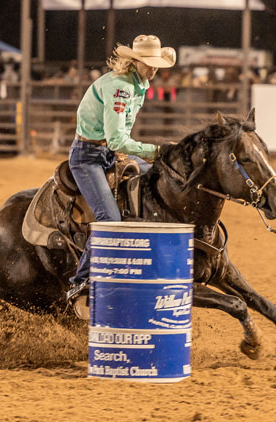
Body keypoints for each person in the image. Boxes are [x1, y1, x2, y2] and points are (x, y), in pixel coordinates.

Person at [66, 34, 176, 304]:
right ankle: (80, 284)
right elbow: (116, 138)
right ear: (135, 61)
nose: (153, 68)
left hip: (109, 153)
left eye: (156, 64)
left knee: (157, 183)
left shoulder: (139, 84)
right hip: (88, 157)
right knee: (109, 220)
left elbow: (118, 138)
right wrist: (155, 151)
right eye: (148, 63)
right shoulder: (121, 88)